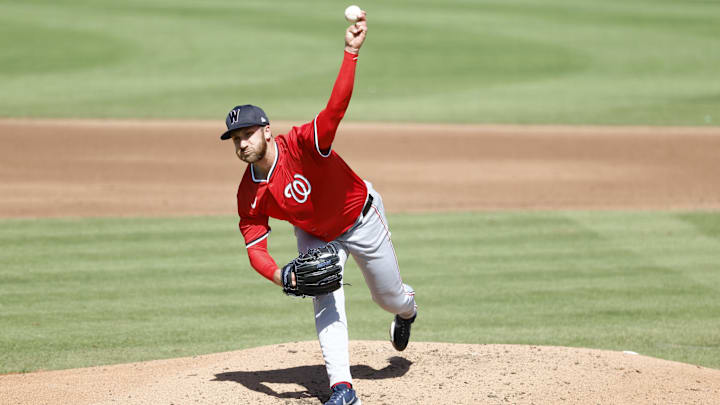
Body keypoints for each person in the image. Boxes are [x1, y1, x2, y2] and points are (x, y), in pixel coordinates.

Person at [220, 11, 417, 405]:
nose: (242, 144)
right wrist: (282, 277)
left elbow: (335, 109)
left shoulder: (302, 144)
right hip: (314, 233)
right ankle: (343, 388)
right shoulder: (249, 192)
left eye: (248, 134)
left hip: (361, 217)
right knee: (324, 293)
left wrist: (350, 52)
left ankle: (408, 312)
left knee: (388, 297)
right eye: (235, 139)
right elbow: (255, 248)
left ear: (266, 130)